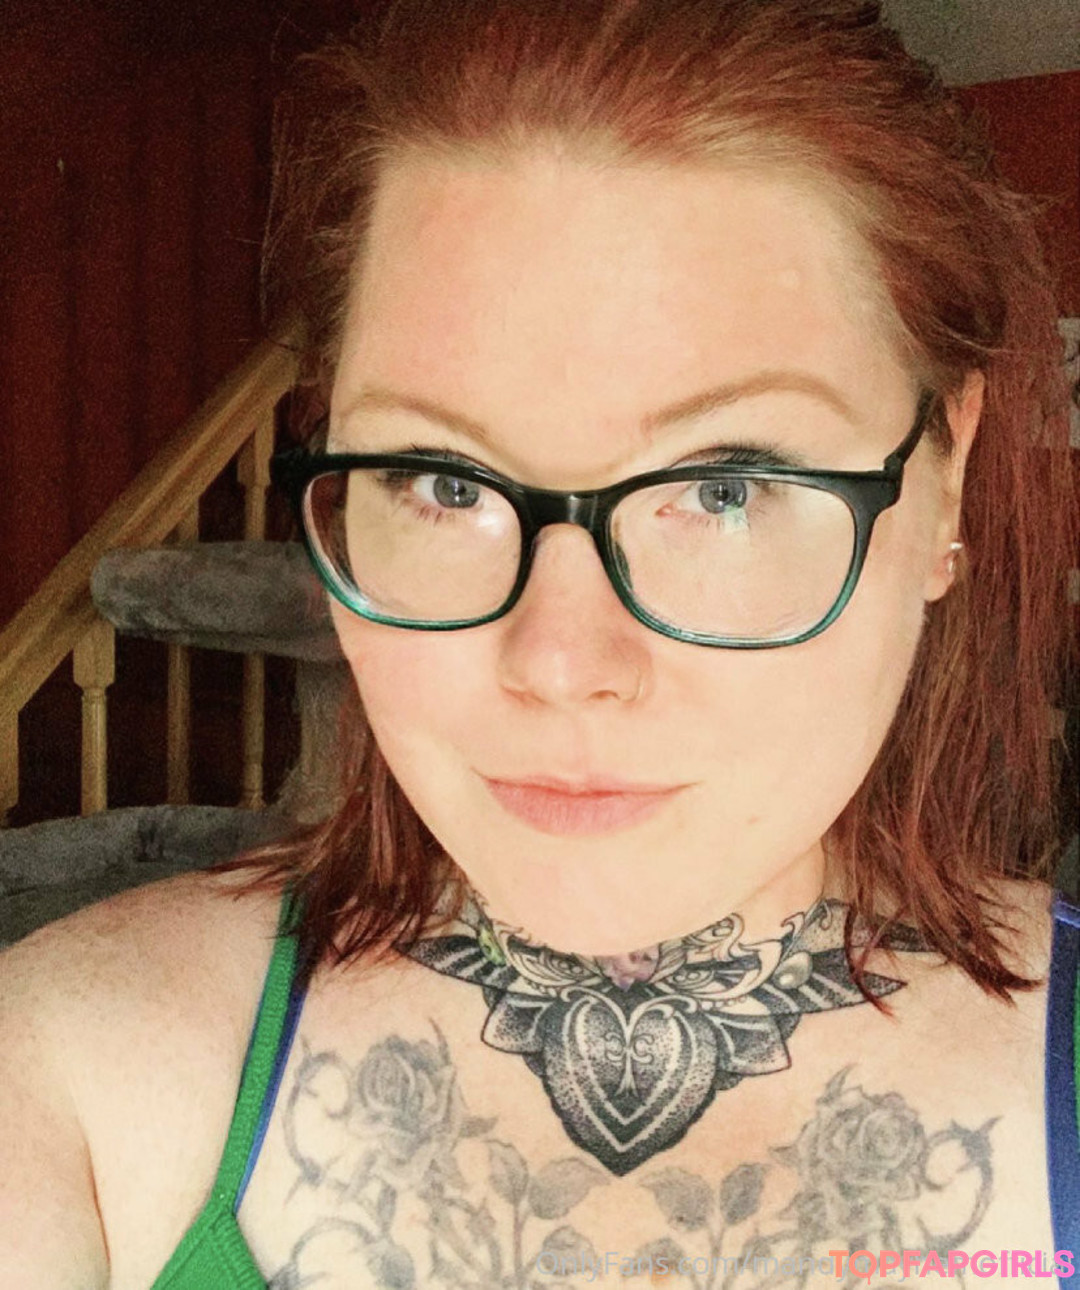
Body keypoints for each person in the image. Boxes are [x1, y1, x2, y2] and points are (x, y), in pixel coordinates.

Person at [2, 1, 1077, 1286]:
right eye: (443, 481)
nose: (559, 663)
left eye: (725, 489)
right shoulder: (67, 1078)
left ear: (944, 482)